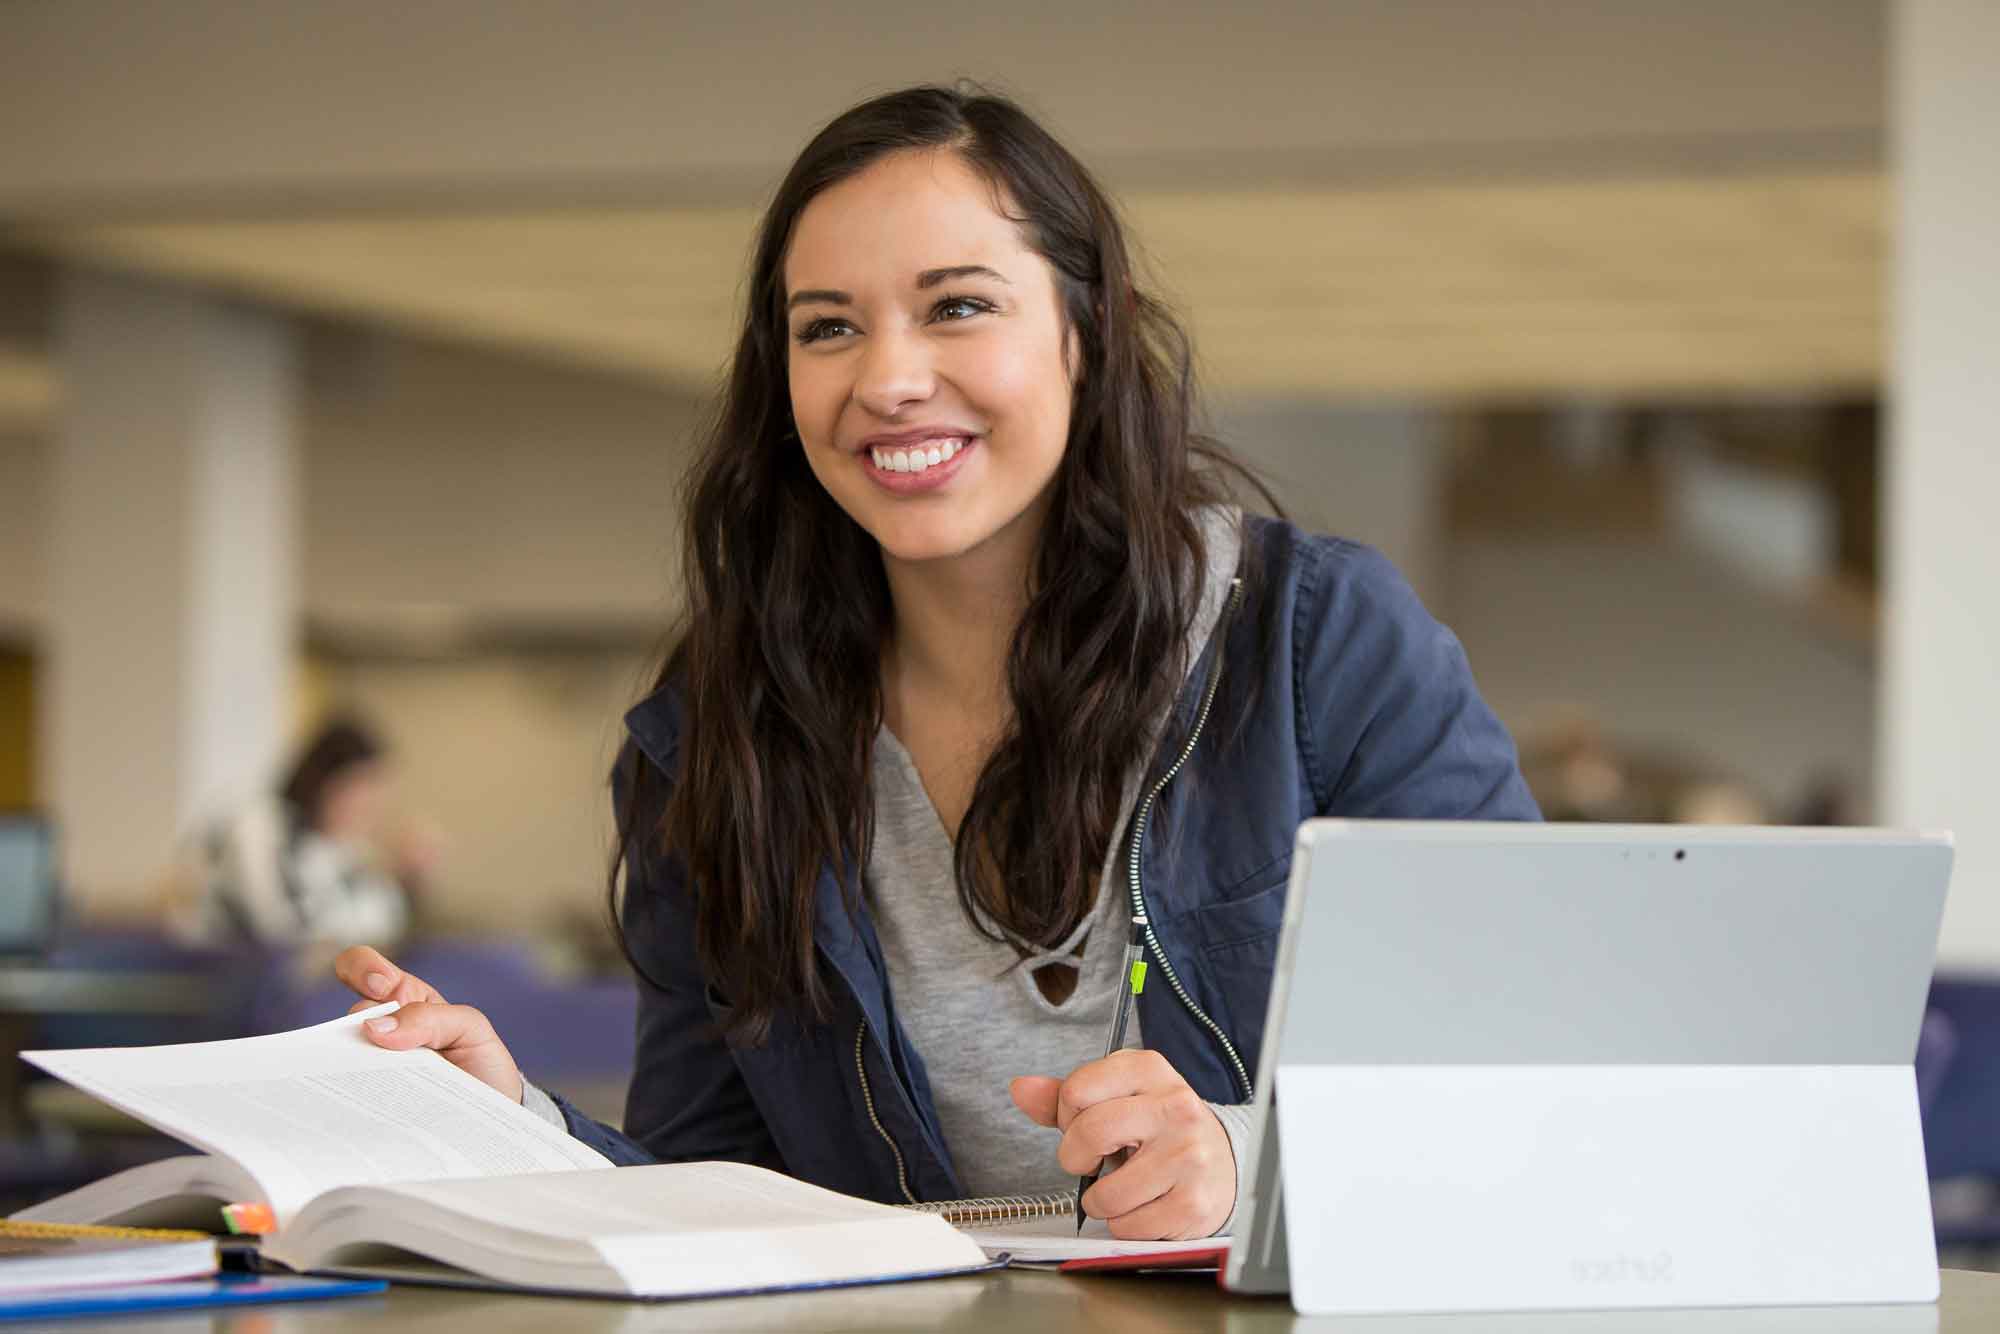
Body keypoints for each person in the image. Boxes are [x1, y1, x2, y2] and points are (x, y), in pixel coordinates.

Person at [334, 85, 1538, 1241]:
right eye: (828, 327)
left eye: (956, 305)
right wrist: (520, 1123)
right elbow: (719, 1198)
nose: (888, 380)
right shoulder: (714, 738)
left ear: (1085, 331)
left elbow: (1547, 1072)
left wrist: (1247, 1158)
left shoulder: (1308, 640)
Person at [174, 716, 435, 954]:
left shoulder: (342, 851)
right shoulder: (259, 826)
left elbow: (381, 928)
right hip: (235, 980)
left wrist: (406, 882)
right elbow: (280, 926)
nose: (367, 807)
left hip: (301, 987)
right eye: (358, 790)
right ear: (324, 780)